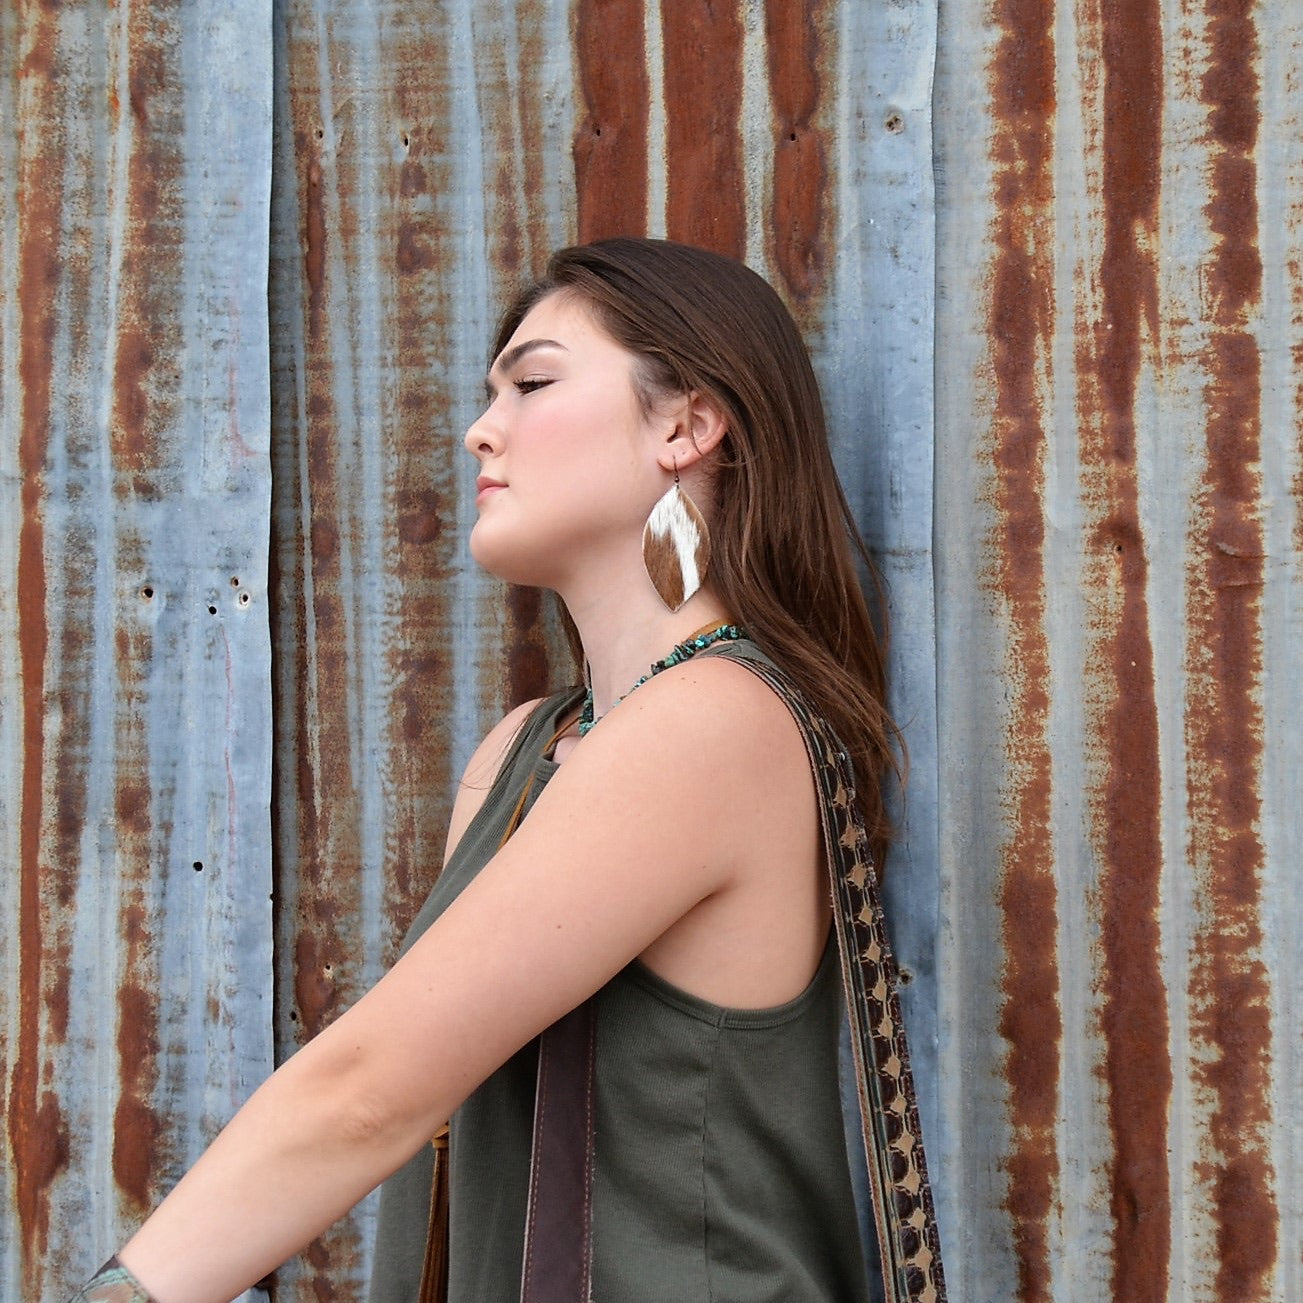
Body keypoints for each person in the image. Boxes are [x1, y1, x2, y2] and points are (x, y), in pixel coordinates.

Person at [72, 238, 935, 1303]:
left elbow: (368, 1090)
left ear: (686, 424)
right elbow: (428, 1100)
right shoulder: (526, 750)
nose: (483, 428)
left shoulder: (716, 722)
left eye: (532, 383)